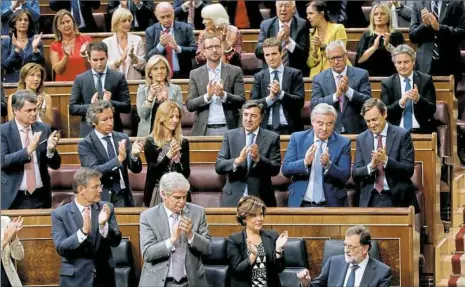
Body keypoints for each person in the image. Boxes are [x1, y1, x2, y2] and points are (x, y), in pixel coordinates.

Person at [51, 167, 122, 287]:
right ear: (81, 189)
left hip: (104, 278)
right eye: (95, 187)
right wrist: (82, 233)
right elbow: (61, 248)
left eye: (100, 185)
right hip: (75, 280)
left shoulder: (106, 207)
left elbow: (116, 241)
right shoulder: (60, 214)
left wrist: (104, 226)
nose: (100, 190)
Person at [139, 172, 212, 287]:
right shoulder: (148, 217)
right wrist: (171, 240)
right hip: (159, 283)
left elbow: (208, 248)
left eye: (184, 196)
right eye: (177, 197)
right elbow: (148, 254)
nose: (182, 202)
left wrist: (191, 235)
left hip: (190, 282)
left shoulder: (198, 213)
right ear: (163, 194)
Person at [352, 99, 420, 213]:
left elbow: (408, 170)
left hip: (396, 198)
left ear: (384, 114)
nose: (372, 125)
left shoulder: (402, 135)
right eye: (368, 121)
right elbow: (355, 174)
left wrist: (386, 160)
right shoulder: (361, 138)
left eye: (374, 119)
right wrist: (371, 166)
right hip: (370, 199)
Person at [282, 103, 351, 208]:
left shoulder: (343, 143)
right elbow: (286, 169)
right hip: (300, 204)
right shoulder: (297, 138)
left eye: (329, 124)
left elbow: (345, 176)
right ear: (312, 122)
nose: (324, 128)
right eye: (320, 123)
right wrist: (305, 162)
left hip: (331, 205)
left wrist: (328, 165)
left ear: (334, 124)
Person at [1, 91, 61, 209]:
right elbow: (2, 161)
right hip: (14, 198)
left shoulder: (44, 129)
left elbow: (56, 165)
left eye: (35, 109)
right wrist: (27, 150)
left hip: (41, 197)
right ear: (15, 110)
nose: (34, 114)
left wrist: (50, 151)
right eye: (29, 110)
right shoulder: (3, 131)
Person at [78, 101, 144, 207]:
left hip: (124, 198)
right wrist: (118, 160)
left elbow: (136, 169)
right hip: (101, 199)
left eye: (111, 118)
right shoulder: (86, 144)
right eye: (104, 119)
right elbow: (95, 171)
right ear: (94, 122)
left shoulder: (122, 138)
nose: (110, 123)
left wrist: (134, 156)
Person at [216, 101, 281, 207]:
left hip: (261, 198)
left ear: (261, 118)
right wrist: (237, 161)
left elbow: (275, 169)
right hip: (233, 199)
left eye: (253, 116)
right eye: (245, 115)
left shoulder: (272, 138)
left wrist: (259, 159)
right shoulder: (230, 136)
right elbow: (219, 166)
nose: (248, 119)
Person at [186, 34, 245, 136]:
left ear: (221, 48)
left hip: (229, 128)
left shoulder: (235, 71)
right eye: (210, 47)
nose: (214, 50)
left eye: (217, 46)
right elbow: (190, 105)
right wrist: (207, 96)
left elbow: (241, 100)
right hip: (204, 130)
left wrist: (223, 95)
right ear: (203, 51)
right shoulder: (195, 74)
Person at [297, 225, 392, 287]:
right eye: (345, 245)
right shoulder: (333, 263)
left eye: (351, 247)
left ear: (365, 249)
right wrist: (306, 284)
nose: (346, 250)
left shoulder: (382, 272)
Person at [70, 42, 131, 137]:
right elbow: (72, 108)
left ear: (107, 57)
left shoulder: (118, 78)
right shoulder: (80, 79)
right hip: (88, 132)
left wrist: (109, 103)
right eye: (95, 60)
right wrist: (92, 106)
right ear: (89, 59)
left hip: (113, 131)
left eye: (102, 59)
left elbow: (127, 106)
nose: (99, 63)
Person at [311, 40, 371, 134]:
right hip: (330, 132)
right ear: (327, 58)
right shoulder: (319, 79)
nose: (336, 62)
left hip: (356, 130)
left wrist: (348, 91)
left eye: (339, 57)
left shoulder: (362, 74)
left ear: (346, 55)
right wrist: (336, 96)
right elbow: (314, 104)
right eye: (332, 58)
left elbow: (368, 102)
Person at [227, 196, 289, 287]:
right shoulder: (234, 240)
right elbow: (237, 271)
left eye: (261, 214)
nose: (259, 219)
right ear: (244, 218)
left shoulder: (272, 236)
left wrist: (278, 250)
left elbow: (279, 269)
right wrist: (253, 255)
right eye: (253, 215)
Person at [250, 37, 304, 135]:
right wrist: (270, 98)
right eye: (267, 55)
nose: (271, 58)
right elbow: (253, 103)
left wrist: (281, 94)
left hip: (290, 129)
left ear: (281, 53)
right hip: (265, 129)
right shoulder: (259, 77)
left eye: (274, 53)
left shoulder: (295, 74)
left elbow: (299, 102)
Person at [381, 44, 436, 134]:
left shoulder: (425, 80)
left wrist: (418, 99)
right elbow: (385, 113)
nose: (402, 66)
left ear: (413, 62)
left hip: (421, 132)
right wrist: (400, 103)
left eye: (406, 62)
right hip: (396, 133)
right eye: (399, 63)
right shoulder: (388, 83)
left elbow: (432, 110)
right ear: (394, 64)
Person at [144, 101, 190, 207]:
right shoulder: (151, 142)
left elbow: (186, 174)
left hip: (179, 192)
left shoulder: (183, 142)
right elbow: (153, 172)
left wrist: (178, 161)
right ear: (162, 118)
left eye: (177, 117)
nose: (175, 120)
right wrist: (168, 156)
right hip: (157, 192)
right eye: (171, 117)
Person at [409, 1, 465, 84]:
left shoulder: (456, 2)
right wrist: (425, 26)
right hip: (424, 64)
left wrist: (439, 27)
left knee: (448, 96)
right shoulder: (418, 3)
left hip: (449, 62)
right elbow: (413, 36)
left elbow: (462, 33)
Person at [256, 1, 309, 75]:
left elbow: (304, 54)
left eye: (287, 6)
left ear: (293, 9)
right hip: (270, 71)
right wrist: (276, 41)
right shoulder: (266, 25)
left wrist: (288, 41)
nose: (283, 9)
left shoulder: (302, 24)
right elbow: (258, 52)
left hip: (295, 72)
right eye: (280, 6)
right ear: (276, 7)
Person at [146, 1, 197, 79]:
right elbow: (148, 57)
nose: (166, 20)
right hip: (160, 77)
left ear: (173, 13)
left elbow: (194, 50)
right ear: (156, 16)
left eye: (168, 16)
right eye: (162, 17)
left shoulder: (186, 28)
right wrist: (161, 46)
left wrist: (178, 48)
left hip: (183, 74)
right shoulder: (150, 31)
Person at [136, 55, 183, 137]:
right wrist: (150, 98)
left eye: (162, 68)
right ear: (149, 73)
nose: (160, 71)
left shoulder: (176, 89)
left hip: (171, 135)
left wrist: (167, 100)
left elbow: (180, 113)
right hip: (148, 135)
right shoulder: (142, 89)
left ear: (167, 70)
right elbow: (142, 114)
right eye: (155, 69)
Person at [356, 3, 405, 77]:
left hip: (392, 75)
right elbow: (359, 60)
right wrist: (374, 47)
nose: (379, 16)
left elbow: (403, 58)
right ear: (372, 18)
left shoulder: (396, 35)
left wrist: (388, 46)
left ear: (388, 17)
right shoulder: (367, 35)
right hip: (370, 76)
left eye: (382, 14)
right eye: (376, 14)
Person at [307, 1, 350, 79]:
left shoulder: (338, 28)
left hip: (337, 72)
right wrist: (314, 52)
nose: (308, 17)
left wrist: (322, 46)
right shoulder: (312, 33)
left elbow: (340, 53)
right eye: (307, 14)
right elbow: (310, 64)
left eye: (311, 13)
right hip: (317, 76)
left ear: (321, 13)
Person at [1, 9, 44, 83]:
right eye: (20, 20)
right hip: (12, 82)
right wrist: (16, 51)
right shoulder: (6, 42)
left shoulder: (36, 42)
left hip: (31, 83)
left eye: (26, 20)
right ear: (14, 23)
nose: (23, 22)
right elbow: (5, 66)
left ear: (29, 23)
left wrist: (35, 50)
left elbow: (41, 65)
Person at [103, 7, 146, 81]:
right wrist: (120, 60)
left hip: (134, 83)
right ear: (116, 22)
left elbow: (144, 66)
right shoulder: (106, 42)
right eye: (124, 21)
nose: (128, 23)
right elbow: (104, 67)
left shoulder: (138, 40)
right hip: (115, 84)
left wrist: (133, 57)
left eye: (129, 20)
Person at [50, 9, 92, 82]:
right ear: (58, 27)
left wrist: (84, 56)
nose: (66, 25)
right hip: (63, 85)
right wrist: (66, 56)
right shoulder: (55, 45)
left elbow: (92, 66)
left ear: (73, 22)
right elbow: (58, 71)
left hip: (84, 83)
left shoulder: (86, 40)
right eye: (62, 23)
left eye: (68, 21)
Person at [1, 216, 24, 287]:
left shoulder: (5, 221)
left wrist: (13, 238)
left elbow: (19, 256)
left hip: (7, 276)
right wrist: (3, 243)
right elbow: (4, 242)